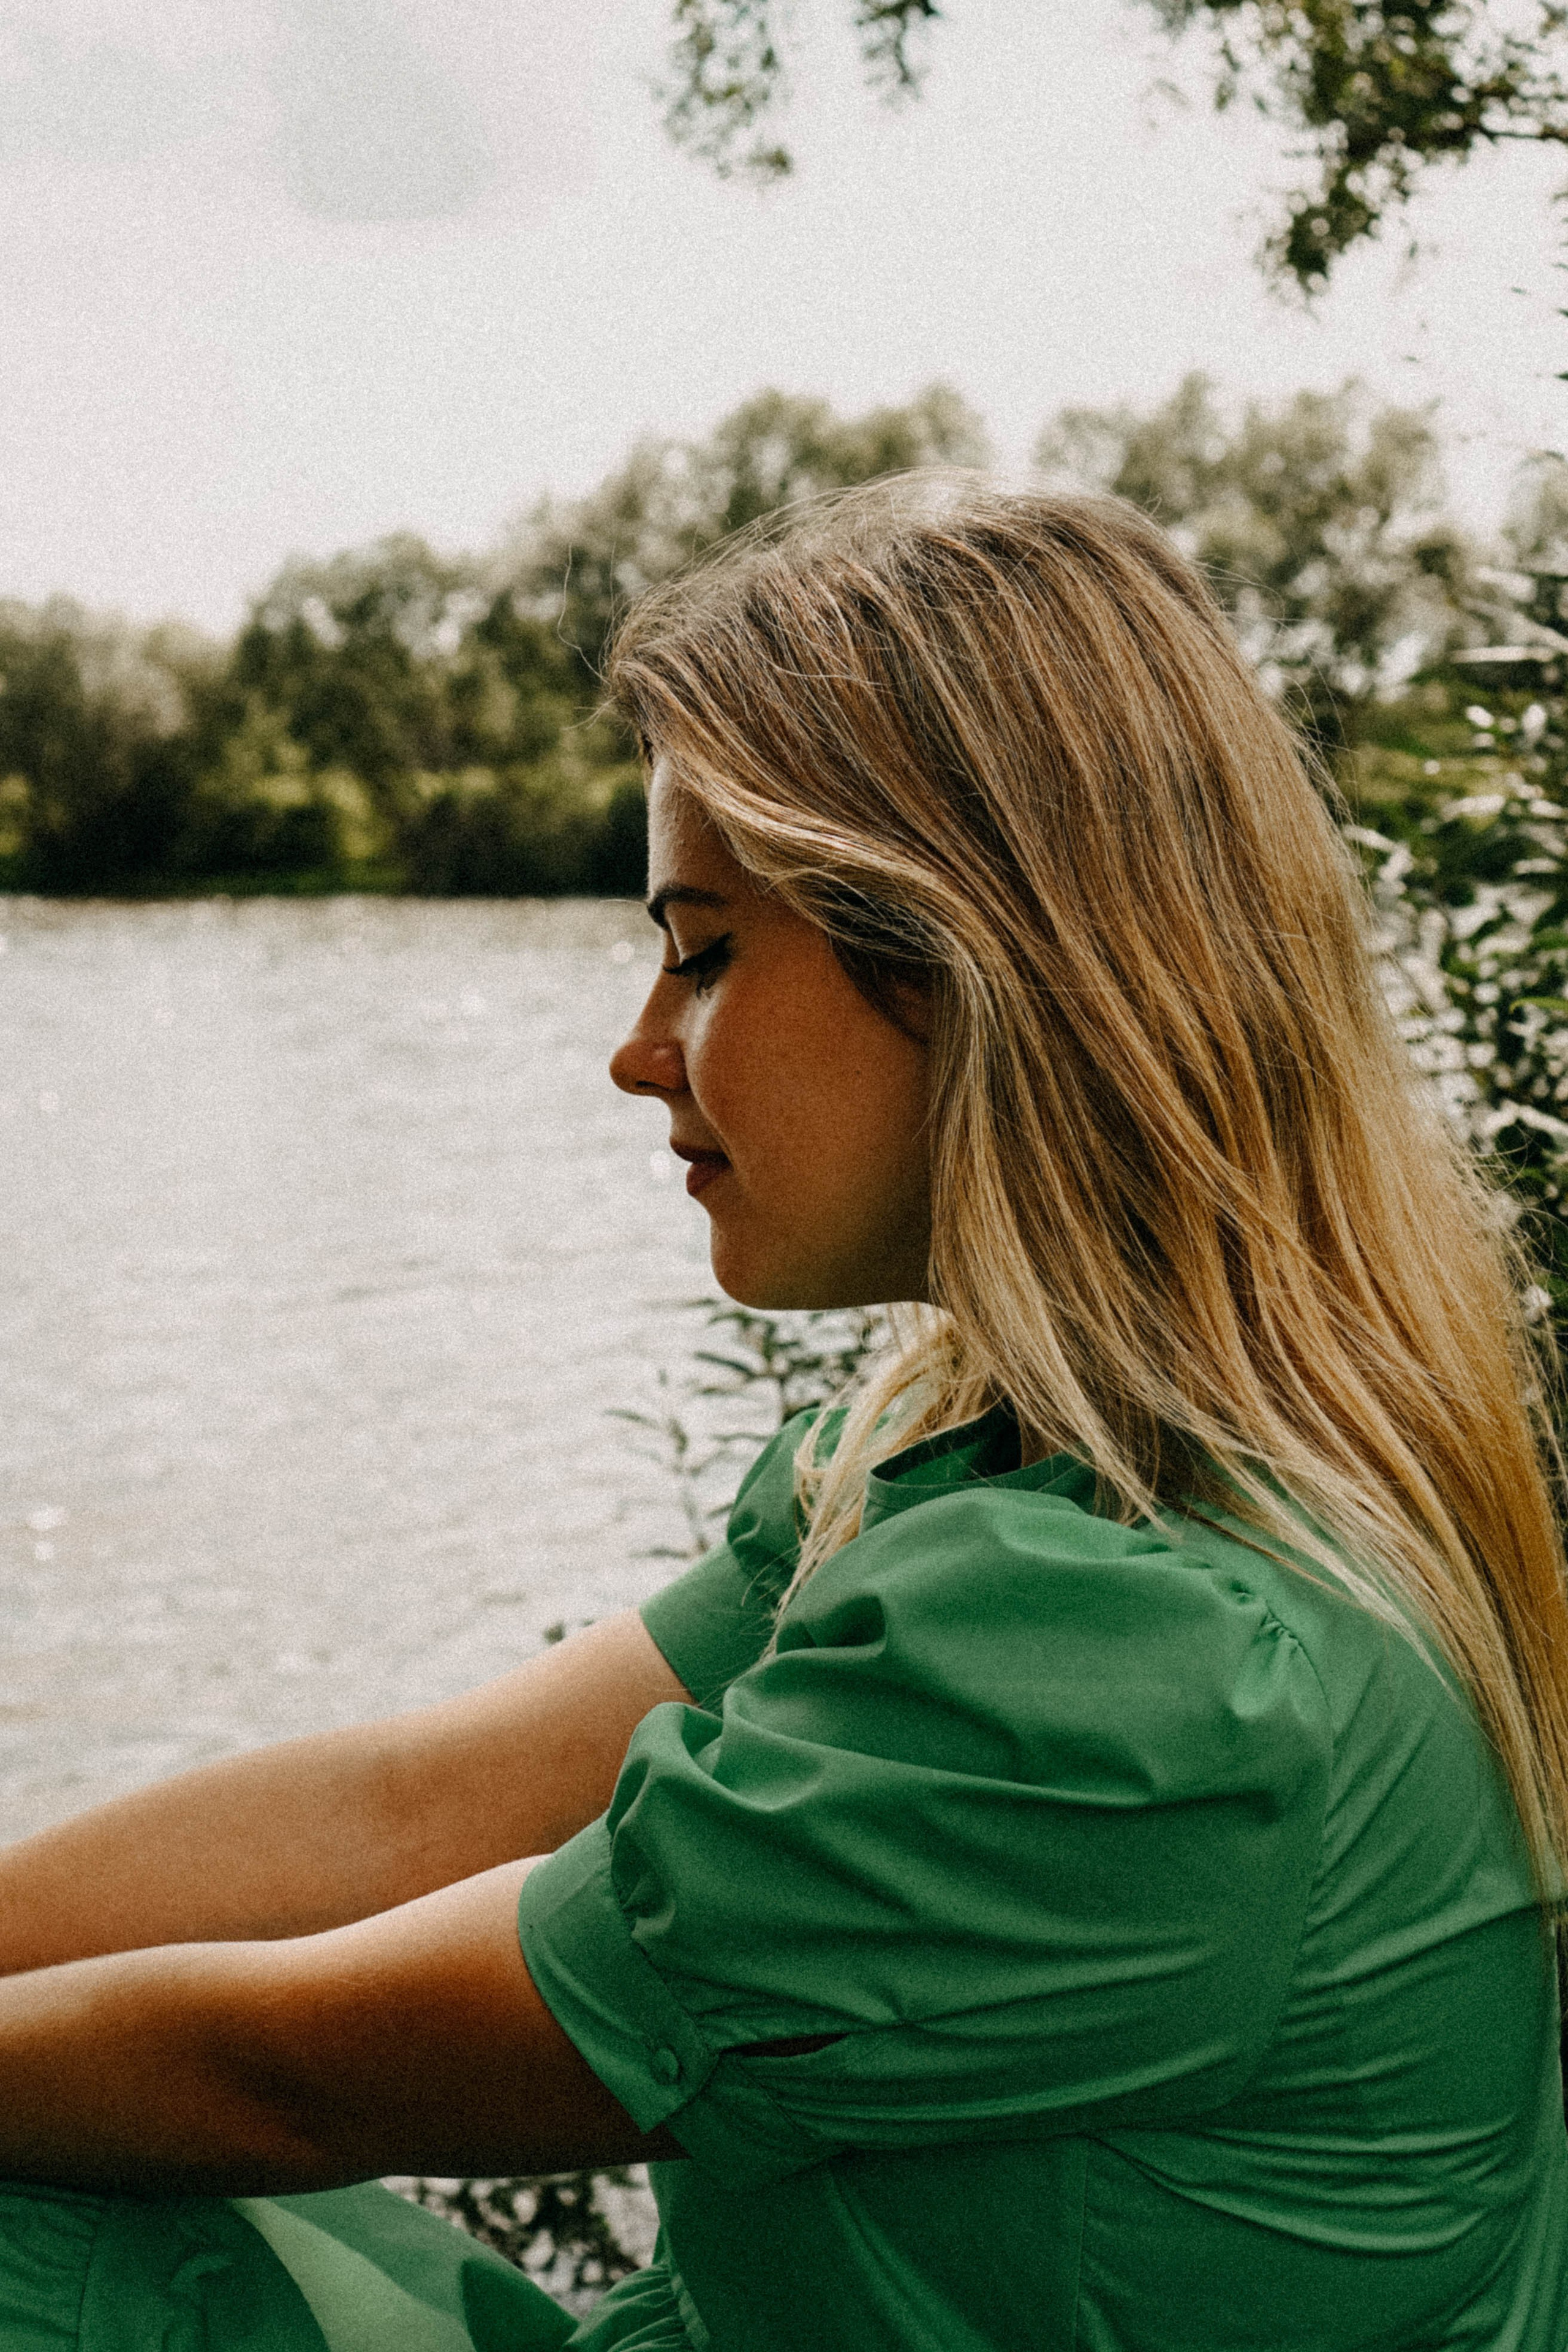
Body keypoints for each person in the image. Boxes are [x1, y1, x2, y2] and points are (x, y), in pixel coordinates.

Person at [0, 477, 1565, 2351]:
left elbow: (299, 2082)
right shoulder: (1023, 1466)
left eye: (710, 947)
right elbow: (405, 1810)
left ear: (977, 962)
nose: (641, 1046)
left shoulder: (1130, 1667)